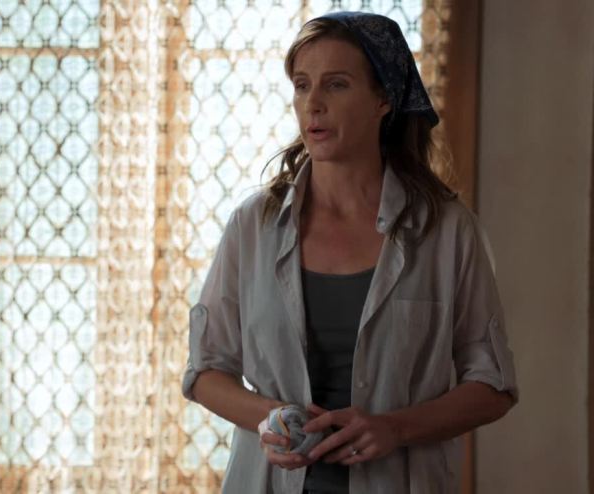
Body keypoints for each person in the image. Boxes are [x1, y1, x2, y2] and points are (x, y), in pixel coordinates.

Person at [181, 11, 518, 494]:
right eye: (302, 85)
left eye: (336, 85)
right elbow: (206, 370)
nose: (313, 103)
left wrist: (395, 428)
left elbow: (493, 385)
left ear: (384, 98)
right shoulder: (253, 226)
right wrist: (269, 417)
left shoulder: (446, 231)